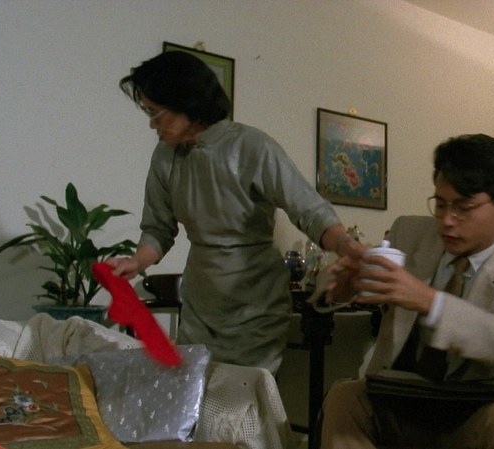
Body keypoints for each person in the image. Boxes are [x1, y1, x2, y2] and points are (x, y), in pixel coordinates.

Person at [107, 50, 365, 374]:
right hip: (200, 303)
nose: (152, 124)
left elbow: (308, 208)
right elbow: (158, 227)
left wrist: (345, 244)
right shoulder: (165, 156)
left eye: (156, 114)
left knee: (243, 398)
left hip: (255, 306)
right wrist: (137, 262)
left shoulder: (251, 145)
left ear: (186, 102)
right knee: (193, 393)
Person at [319, 134, 494, 449]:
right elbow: (337, 287)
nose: (447, 220)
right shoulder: (409, 232)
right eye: (440, 204)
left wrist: (431, 303)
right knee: (344, 397)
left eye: (463, 208)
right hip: (398, 399)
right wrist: (342, 287)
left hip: (474, 410)